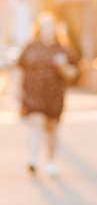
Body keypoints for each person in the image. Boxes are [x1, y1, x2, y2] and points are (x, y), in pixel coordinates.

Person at [17, 12, 79, 176]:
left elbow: (74, 74)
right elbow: (19, 68)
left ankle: (51, 161)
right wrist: (17, 91)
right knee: (35, 123)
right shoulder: (30, 47)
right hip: (33, 93)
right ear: (38, 28)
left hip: (54, 94)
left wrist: (64, 68)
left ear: (56, 29)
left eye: (51, 26)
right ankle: (33, 159)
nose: (48, 29)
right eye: (44, 26)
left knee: (51, 127)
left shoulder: (63, 49)